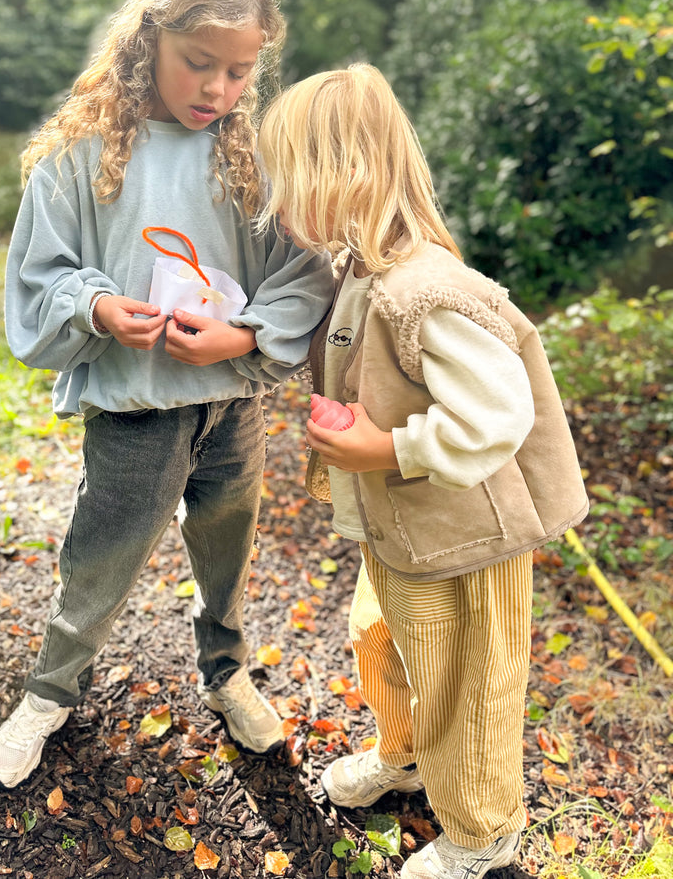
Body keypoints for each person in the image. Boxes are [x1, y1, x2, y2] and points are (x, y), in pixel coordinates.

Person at [0, 0, 334, 790]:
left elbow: (305, 272)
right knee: (102, 552)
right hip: (137, 410)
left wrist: (243, 334)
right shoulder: (83, 155)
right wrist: (98, 305)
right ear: (150, 38)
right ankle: (52, 688)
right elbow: (43, 272)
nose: (218, 88)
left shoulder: (253, 159)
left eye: (239, 70)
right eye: (197, 61)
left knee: (227, 543)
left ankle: (226, 670)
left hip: (231, 407)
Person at [256, 64, 588, 879]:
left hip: (467, 540)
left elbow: (496, 414)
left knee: (470, 684)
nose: (276, 202)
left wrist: (385, 449)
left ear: (349, 174)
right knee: (390, 640)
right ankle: (404, 754)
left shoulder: (426, 290)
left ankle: (483, 833)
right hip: (404, 529)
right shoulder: (362, 273)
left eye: (288, 180)